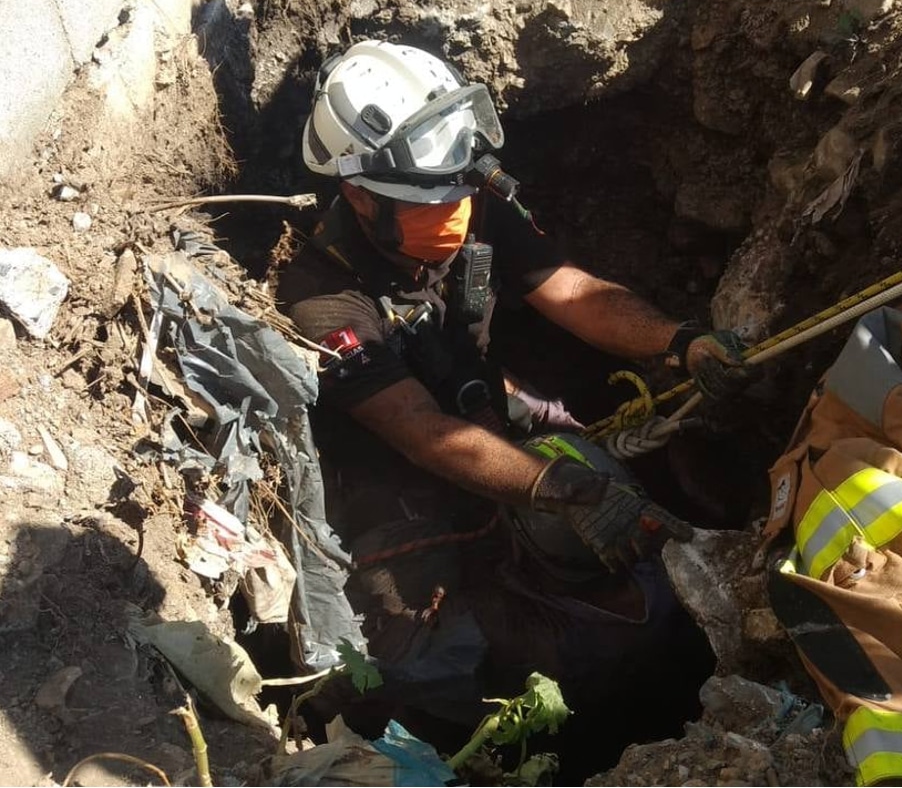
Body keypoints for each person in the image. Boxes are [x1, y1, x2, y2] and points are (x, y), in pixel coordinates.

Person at [275, 40, 749, 747]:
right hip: (396, 498)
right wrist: (565, 490)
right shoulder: (323, 299)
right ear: (357, 193)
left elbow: (573, 291)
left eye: (460, 195)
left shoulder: (473, 203)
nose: (455, 216)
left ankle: (659, 681)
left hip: (488, 420)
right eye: (428, 203)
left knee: (632, 558)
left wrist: (677, 342)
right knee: (434, 659)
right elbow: (420, 431)